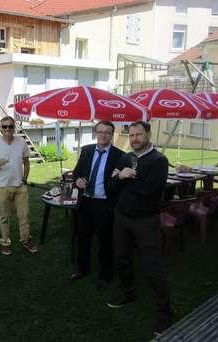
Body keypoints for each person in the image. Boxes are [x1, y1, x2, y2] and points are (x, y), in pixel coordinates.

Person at [106, 121, 171, 335]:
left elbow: (149, 191)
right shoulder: (126, 157)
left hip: (145, 221)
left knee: (153, 266)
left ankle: (164, 314)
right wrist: (119, 178)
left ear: (148, 134)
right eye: (131, 135)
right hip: (122, 217)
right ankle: (128, 292)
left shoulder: (159, 160)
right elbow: (111, 186)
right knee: (122, 258)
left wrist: (123, 178)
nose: (134, 139)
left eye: (139, 134)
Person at [71, 121, 124, 290]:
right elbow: (77, 172)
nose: (103, 135)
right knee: (83, 237)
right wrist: (77, 180)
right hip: (86, 201)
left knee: (105, 241)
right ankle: (83, 269)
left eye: (107, 132)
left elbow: (120, 184)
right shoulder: (86, 150)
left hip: (104, 204)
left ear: (112, 135)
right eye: (100, 132)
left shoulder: (120, 156)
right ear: (96, 133)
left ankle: (105, 276)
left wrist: (118, 179)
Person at [0, 116, 39, 256]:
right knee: (4, 217)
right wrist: (0, 163)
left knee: (24, 215)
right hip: (2, 187)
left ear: (14, 127)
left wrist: (25, 178)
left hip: (19, 187)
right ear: (0, 128)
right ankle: (5, 242)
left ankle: (25, 240)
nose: (7, 129)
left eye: (10, 126)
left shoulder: (21, 141)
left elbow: (26, 163)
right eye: (4, 126)